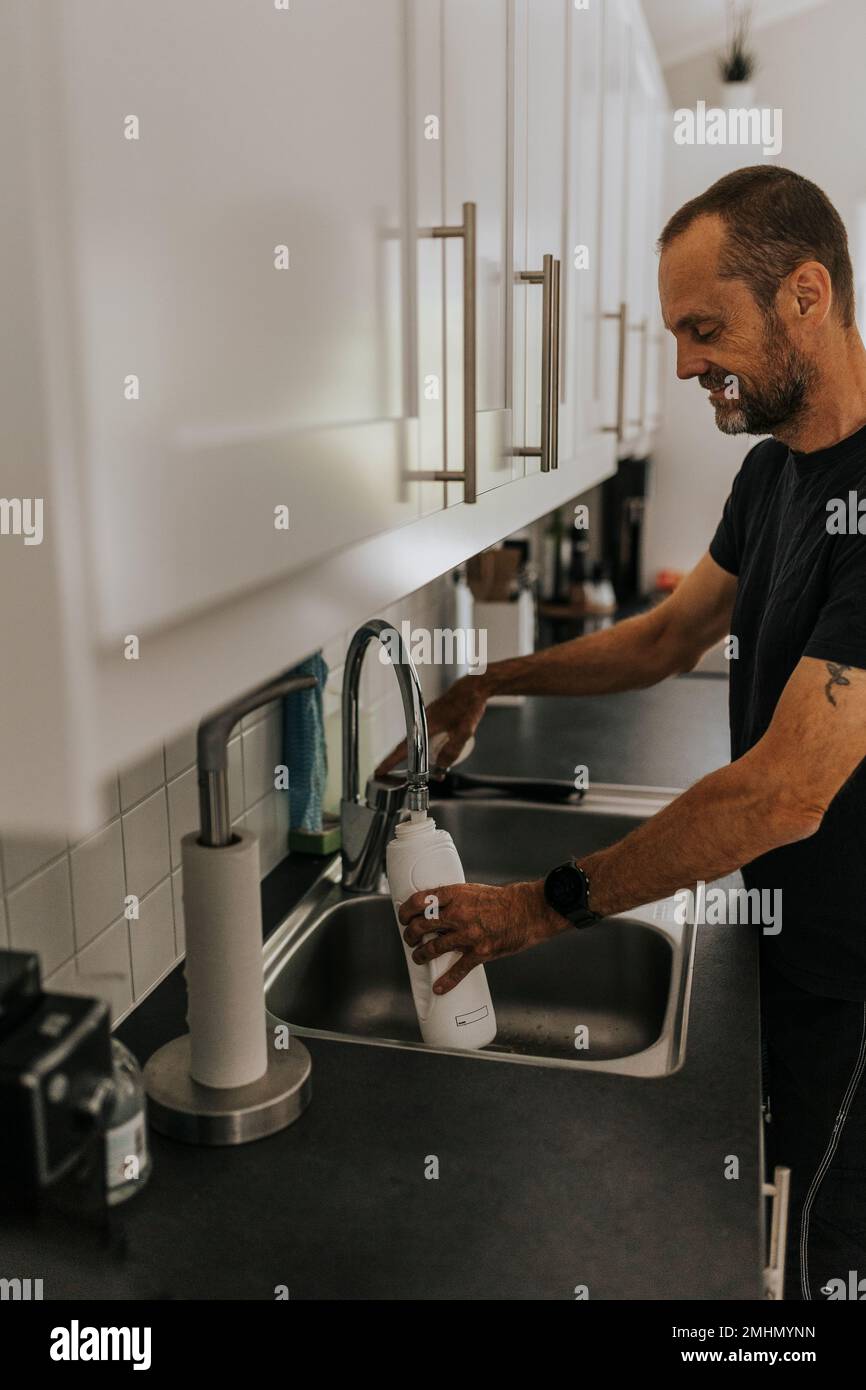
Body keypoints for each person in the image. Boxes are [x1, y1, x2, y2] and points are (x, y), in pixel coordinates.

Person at [378, 166, 866, 1302]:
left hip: (849, 982)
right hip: (788, 942)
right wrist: (489, 678)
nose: (687, 362)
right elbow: (661, 640)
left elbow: (782, 792)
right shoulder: (773, 474)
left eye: (704, 329)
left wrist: (531, 906)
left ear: (804, 295)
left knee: (813, 1262)